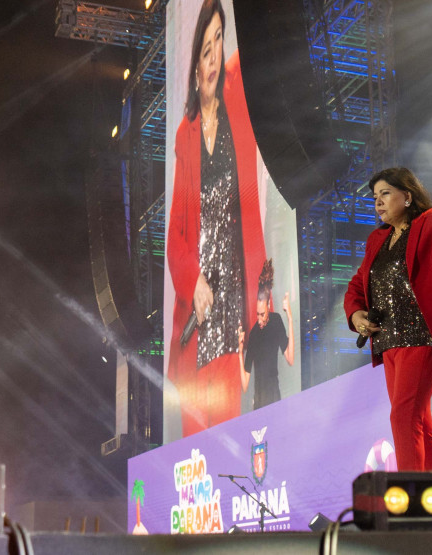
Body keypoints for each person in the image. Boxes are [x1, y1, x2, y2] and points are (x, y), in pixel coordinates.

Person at [344, 167, 432, 472]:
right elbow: (359, 283)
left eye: (385, 194)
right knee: (419, 421)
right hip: (389, 342)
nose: (378, 203)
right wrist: (357, 314)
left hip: (422, 336)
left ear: (407, 196)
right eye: (375, 198)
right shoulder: (377, 240)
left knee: (403, 416)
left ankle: (408, 497)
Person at [167, 0, 266, 437]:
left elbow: (263, 45)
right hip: (198, 303)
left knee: (228, 429)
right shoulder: (185, 135)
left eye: (218, 42)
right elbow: (175, 235)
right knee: (194, 435)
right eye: (205, 49)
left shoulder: (236, 93)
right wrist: (193, 282)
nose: (212, 59)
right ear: (193, 61)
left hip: (232, 294)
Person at [238, 259, 295, 410]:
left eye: (262, 314)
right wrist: (239, 352)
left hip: (274, 397)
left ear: (269, 306)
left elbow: (290, 358)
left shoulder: (276, 321)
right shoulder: (254, 334)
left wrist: (289, 318)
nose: (259, 319)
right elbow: (244, 385)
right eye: (257, 314)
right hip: (258, 401)